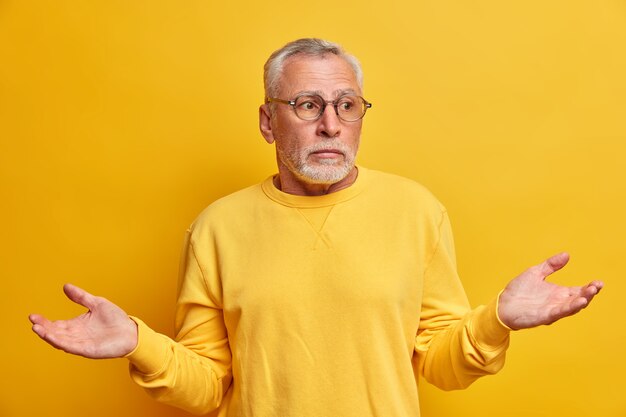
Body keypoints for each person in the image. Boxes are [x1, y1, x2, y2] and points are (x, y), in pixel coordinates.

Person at [29, 38, 604, 417]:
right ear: (267, 121)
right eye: (307, 104)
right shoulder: (217, 228)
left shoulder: (417, 210)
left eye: (347, 105)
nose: (331, 124)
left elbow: (441, 367)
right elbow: (207, 386)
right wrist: (138, 343)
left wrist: (496, 320)